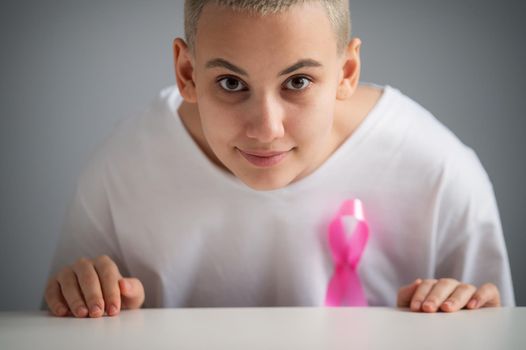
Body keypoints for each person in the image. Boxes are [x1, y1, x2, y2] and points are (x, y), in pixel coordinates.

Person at [43, 0, 515, 318]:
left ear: (346, 72)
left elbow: (493, 324)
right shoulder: (121, 172)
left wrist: (473, 319)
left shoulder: (439, 171)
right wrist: (87, 303)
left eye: (298, 82)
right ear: (187, 72)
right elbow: (60, 320)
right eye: (231, 83)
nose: (266, 129)